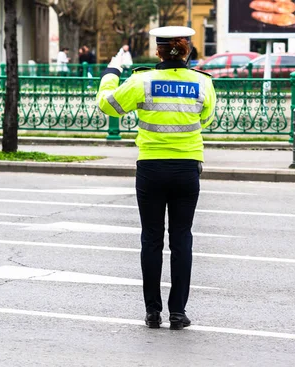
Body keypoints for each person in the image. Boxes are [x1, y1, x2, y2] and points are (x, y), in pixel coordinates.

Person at [96, 26, 217, 330]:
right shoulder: (203, 83)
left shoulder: (142, 80)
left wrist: (111, 72)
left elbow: (107, 105)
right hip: (187, 168)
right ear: (187, 50)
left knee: (151, 239)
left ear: (158, 51)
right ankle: (178, 311)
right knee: (182, 239)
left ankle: (152, 312)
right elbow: (206, 118)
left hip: (150, 168)